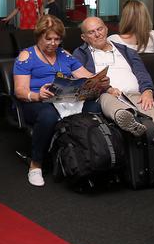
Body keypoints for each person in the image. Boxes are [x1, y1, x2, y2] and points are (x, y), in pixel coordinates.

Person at [74, 17, 154, 182]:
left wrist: (147, 91)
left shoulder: (126, 51)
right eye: (91, 32)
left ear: (106, 29)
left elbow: (142, 74)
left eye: (100, 29)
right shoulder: (80, 54)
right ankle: (124, 115)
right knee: (106, 99)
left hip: (136, 95)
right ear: (84, 37)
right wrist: (107, 88)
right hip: (108, 95)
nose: (97, 34)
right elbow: (82, 81)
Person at [13, 15, 107, 186]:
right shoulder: (26, 56)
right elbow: (20, 91)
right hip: (35, 101)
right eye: (48, 39)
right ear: (39, 36)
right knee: (49, 115)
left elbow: (86, 76)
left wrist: (99, 81)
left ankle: (88, 155)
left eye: (57, 39)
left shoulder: (64, 54)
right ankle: (36, 164)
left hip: (64, 99)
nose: (53, 43)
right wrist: (38, 95)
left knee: (94, 107)